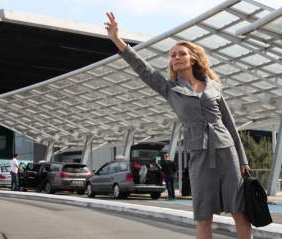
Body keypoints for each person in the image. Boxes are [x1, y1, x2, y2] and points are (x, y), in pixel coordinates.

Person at [105, 12, 252, 239]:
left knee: (240, 211)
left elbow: (229, 124)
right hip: (199, 154)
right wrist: (117, 39)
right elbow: (143, 69)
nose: (176, 57)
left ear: (193, 58)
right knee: (203, 216)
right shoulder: (169, 88)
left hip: (226, 152)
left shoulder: (213, 86)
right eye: (173, 55)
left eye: (181, 53)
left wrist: (242, 159)